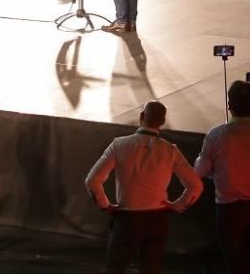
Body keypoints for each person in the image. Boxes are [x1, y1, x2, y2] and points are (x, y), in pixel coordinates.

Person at [85, 101, 204, 274]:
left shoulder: (119, 145)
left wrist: (106, 206)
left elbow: (92, 181)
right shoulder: (170, 151)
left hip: (127, 218)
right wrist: (177, 206)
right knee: (151, 269)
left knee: (115, 268)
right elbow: (196, 186)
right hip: (157, 218)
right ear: (162, 122)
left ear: (141, 117)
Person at [195, 81, 250, 274]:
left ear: (229, 105)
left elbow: (200, 171)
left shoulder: (216, 135)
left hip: (230, 213)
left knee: (237, 266)